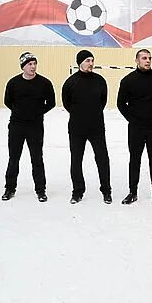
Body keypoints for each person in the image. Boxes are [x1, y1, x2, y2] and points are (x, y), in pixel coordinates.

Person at [117, 49, 152, 205]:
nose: (147, 61)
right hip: (136, 128)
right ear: (137, 60)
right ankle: (132, 192)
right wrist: (132, 118)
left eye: (149, 58)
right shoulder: (128, 80)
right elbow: (121, 104)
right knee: (135, 160)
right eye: (144, 58)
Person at [3, 51, 56, 202]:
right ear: (23, 66)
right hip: (16, 126)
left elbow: (51, 103)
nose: (33, 67)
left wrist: (37, 113)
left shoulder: (44, 83)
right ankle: (9, 188)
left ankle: (40, 190)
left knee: (37, 159)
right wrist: (20, 112)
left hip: (35, 126)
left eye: (34, 63)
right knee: (14, 158)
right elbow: (7, 101)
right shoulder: (13, 83)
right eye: (29, 64)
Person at [62, 49, 111, 204]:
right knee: (76, 160)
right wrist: (79, 115)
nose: (91, 64)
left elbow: (103, 101)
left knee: (102, 159)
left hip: (96, 127)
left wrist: (92, 113)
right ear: (80, 63)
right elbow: (66, 103)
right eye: (87, 61)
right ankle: (77, 191)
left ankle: (106, 190)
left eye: (92, 60)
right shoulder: (71, 82)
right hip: (77, 128)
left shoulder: (100, 81)